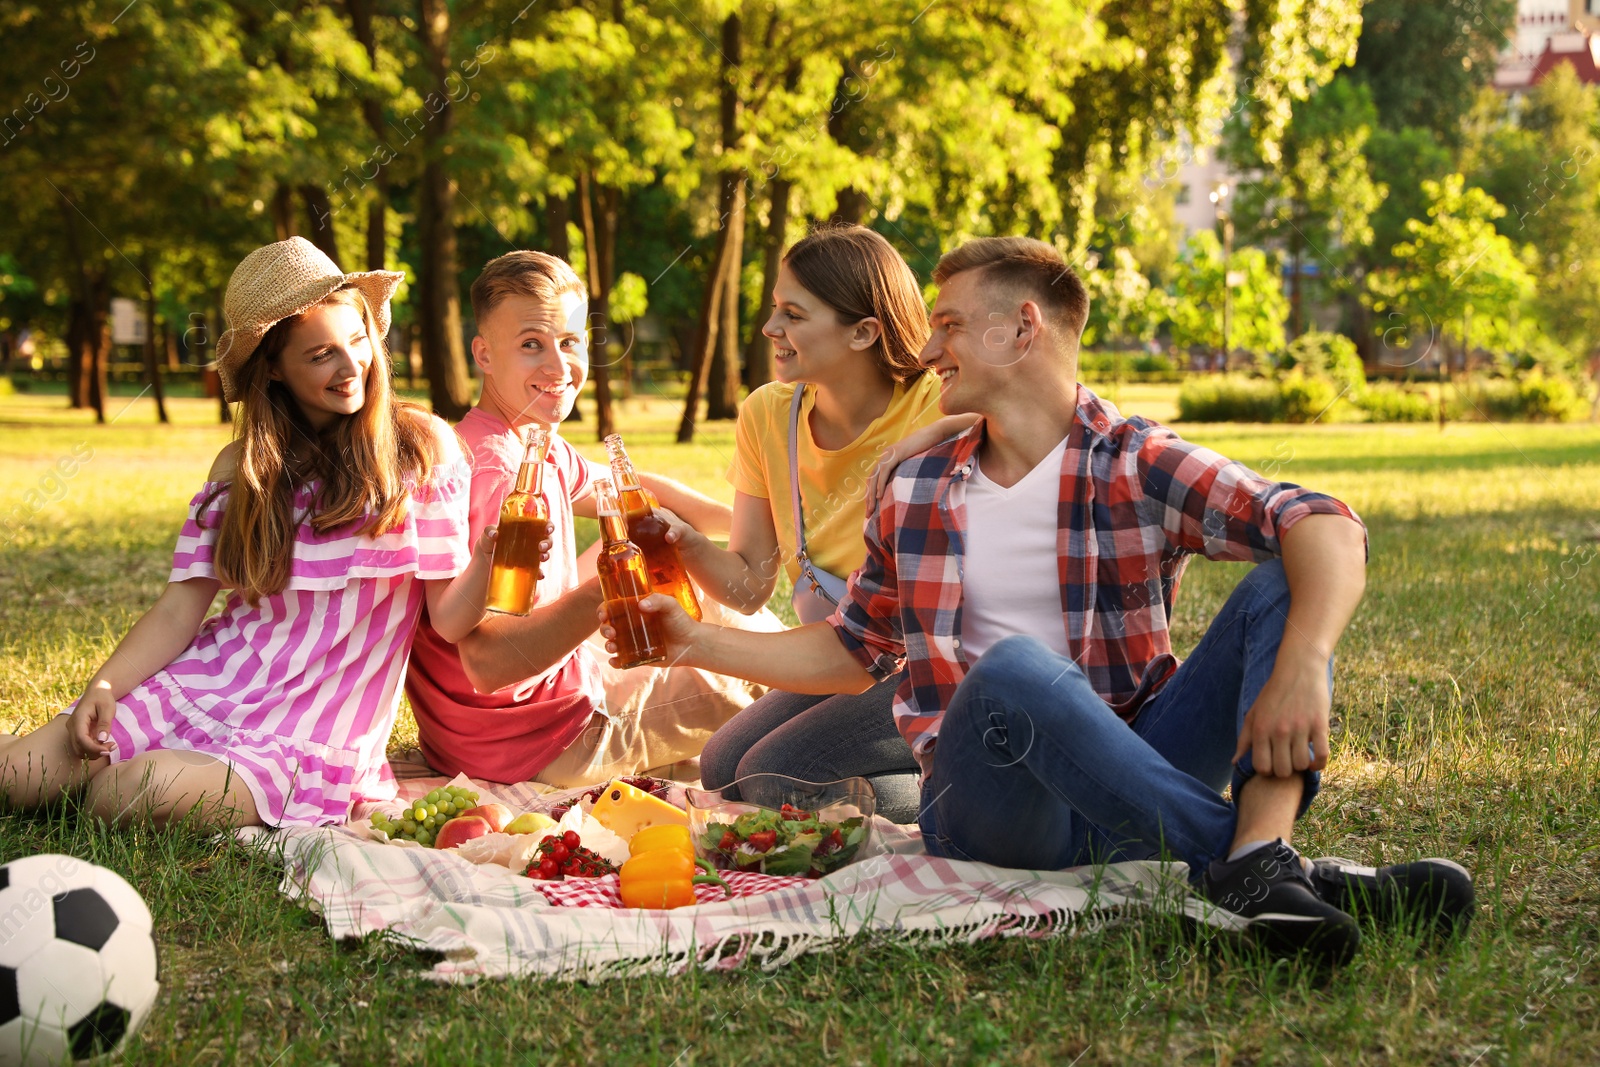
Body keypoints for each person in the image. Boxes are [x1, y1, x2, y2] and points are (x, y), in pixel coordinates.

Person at [602, 237, 1474, 962]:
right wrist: (688, 641)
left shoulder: (1133, 460)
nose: (930, 348)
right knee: (1015, 671)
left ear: (1022, 329)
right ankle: (1258, 860)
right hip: (986, 809)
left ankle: (1256, 858)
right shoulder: (913, 482)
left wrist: (1306, 664)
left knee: (1285, 575)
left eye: (947, 325)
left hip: (1126, 763)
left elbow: (1323, 521)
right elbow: (850, 649)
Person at [0, 237, 492, 828]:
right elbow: (180, 610)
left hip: (313, 735)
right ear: (274, 370)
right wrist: (104, 684)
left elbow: (450, 618)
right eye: (319, 356)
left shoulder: (419, 447)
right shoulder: (243, 468)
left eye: (357, 341)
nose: (350, 366)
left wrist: (490, 555)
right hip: (208, 683)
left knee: (121, 796)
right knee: (19, 779)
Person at [402, 251, 780, 789]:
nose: (559, 367)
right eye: (532, 344)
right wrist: (615, 584)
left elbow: (639, 492)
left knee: (679, 563)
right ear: (483, 355)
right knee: (775, 685)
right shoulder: (501, 474)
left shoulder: (521, 440)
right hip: (538, 740)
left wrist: (768, 523)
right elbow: (486, 663)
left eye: (570, 342)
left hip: (478, 732)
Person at [664, 225, 973, 823]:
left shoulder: (939, 403)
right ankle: (905, 772)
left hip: (931, 661)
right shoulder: (767, 416)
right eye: (774, 309)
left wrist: (939, 430)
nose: (770, 330)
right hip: (836, 654)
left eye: (793, 314)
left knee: (771, 779)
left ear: (863, 331)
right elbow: (751, 588)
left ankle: (964, 791)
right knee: (724, 765)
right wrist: (691, 545)